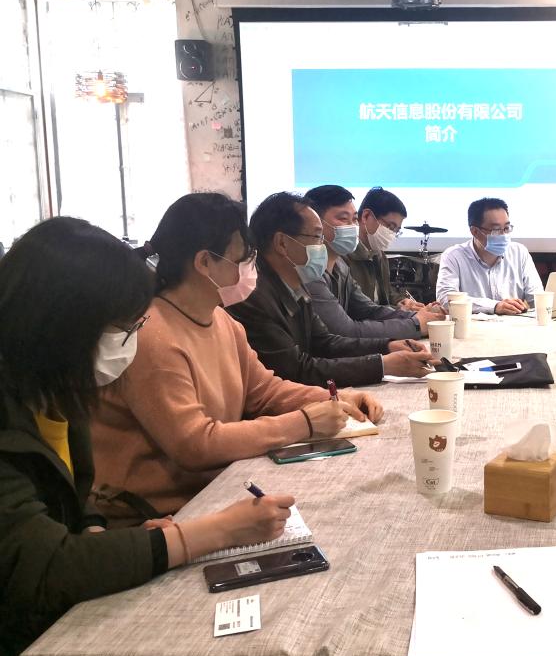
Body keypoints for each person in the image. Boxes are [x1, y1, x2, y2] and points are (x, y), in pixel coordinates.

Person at [0, 217, 295, 656]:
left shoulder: (59, 394)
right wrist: (215, 531)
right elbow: (46, 566)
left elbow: (74, 498)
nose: (132, 342)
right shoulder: (18, 412)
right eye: (124, 328)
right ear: (60, 327)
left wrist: (99, 534)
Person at [89, 193, 382, 527]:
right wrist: (303, 423)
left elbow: (265, 391)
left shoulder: (222, 320)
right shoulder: (151, 336)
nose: (251, 267)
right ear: (204, 262)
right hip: (152, 517)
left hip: (211, 492)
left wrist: (336, 398)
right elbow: (195, 444)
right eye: (244, 257)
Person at [228, 193, 434, 386]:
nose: (323, 246)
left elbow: (325, 343)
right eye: (317, 237)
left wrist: (387, 346)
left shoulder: (296, 285)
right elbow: (297, 370)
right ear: (282, 243)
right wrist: (383, 365)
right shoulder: (254, 298)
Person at [304, 184, 444, 339]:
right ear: (315, 224)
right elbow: (346, 330)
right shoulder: (310, 272)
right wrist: (415, 324)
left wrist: (415, 315)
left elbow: (369, 309)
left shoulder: (341, 267)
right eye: (343, 219)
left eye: (354, 219)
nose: (352, 226)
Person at [435, 197, 543, 315]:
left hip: (515, 324)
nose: (504, 235)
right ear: (475, 231)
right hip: (473, 326)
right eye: (496, 229)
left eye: (507, 228)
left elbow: (537, 297)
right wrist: (494, 306)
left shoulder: (519, 252)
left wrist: (545, 306)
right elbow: (446, 299)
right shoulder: (453, 256)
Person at [344, 187, 424, 310]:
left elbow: (385, 295)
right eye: (390, 226)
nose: (391, 234)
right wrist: (399, 311)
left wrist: (401, 301)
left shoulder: (380, 256)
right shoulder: (344, 256)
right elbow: (359, 310)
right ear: (366, 216)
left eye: (396, 230)